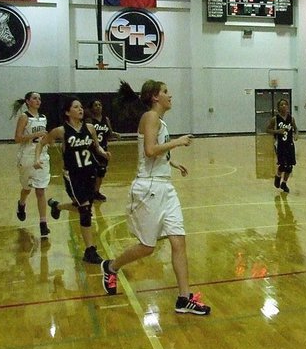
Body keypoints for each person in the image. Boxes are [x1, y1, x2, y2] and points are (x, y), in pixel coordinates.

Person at [99, 80, 210, 315]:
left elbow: (156, 153)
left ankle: (183, 298)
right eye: (166, 92)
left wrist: (172, 162)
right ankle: (111, 266)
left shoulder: (159, 121)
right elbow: (149, 151)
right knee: (147, 247)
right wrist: (177, 142)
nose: (171, 95)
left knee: (178, 241)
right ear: (154, 97)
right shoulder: (150, 117)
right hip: (148, 189)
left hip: (165, 188)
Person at [37, 97, 110, 264]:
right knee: (85, 211)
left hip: (89, 172)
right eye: (76, 107)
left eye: (81, 107)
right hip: (73, 175)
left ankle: (57, 206)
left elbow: (96, 146)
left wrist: (103, 153)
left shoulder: (90, 128)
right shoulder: (61, 131)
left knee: (84, 207)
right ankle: (90, 250)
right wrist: (37, 158)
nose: (80, 109)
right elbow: (42, 143)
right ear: (67, 112)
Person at [12, 91, 50, 238]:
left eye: (39, 98)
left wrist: (48, 140)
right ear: (27, 101)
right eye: (34, 98)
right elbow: (17, 138)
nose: (38, 100)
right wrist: (34, 135)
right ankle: (21, 203)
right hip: (26, 157)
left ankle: (43, 224)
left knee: (40, 190)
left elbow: (43, 138)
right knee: (27, 188)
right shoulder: (24, 117)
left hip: (41, 156)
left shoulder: (43, 117)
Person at [87, 99, 118, 202]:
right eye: (95, 105)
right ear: (91, 108)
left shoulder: (106, 119)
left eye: (100, 105)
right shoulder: (89, 120)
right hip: (92, 150)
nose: (98, 106)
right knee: (92, 173)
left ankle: (96, 192)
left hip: (103, 150)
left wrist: (115, 134)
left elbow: (109, 133)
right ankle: (90, 192)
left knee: (101, 172)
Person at [266, 98, 297, 193]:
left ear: (288, 106)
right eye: (281, 105)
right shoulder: (275, 119)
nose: (284, 106)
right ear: (278, 107)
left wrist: (296, 135)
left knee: (290, 166)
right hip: (280, 144)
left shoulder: (291, 118)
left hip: (290, 144)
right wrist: (277, 131)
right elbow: (267, 130)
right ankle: (278, 176)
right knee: (283, 165)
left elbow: (296, 129)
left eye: (285, 104)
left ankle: (284, 183)